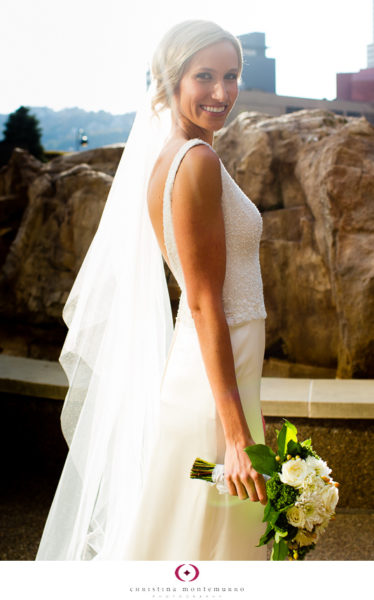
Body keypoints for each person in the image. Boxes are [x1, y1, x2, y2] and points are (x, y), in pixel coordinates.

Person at [35, 20, 268, 561]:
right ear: (170, 80)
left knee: (194, 529)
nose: (222, 92)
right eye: (204, 76)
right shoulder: (197, 161)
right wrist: (236, 436)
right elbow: (206, 300)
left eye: (231, 76)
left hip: (216, 372)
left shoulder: (172, 156)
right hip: (215, 374)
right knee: (202, 537)